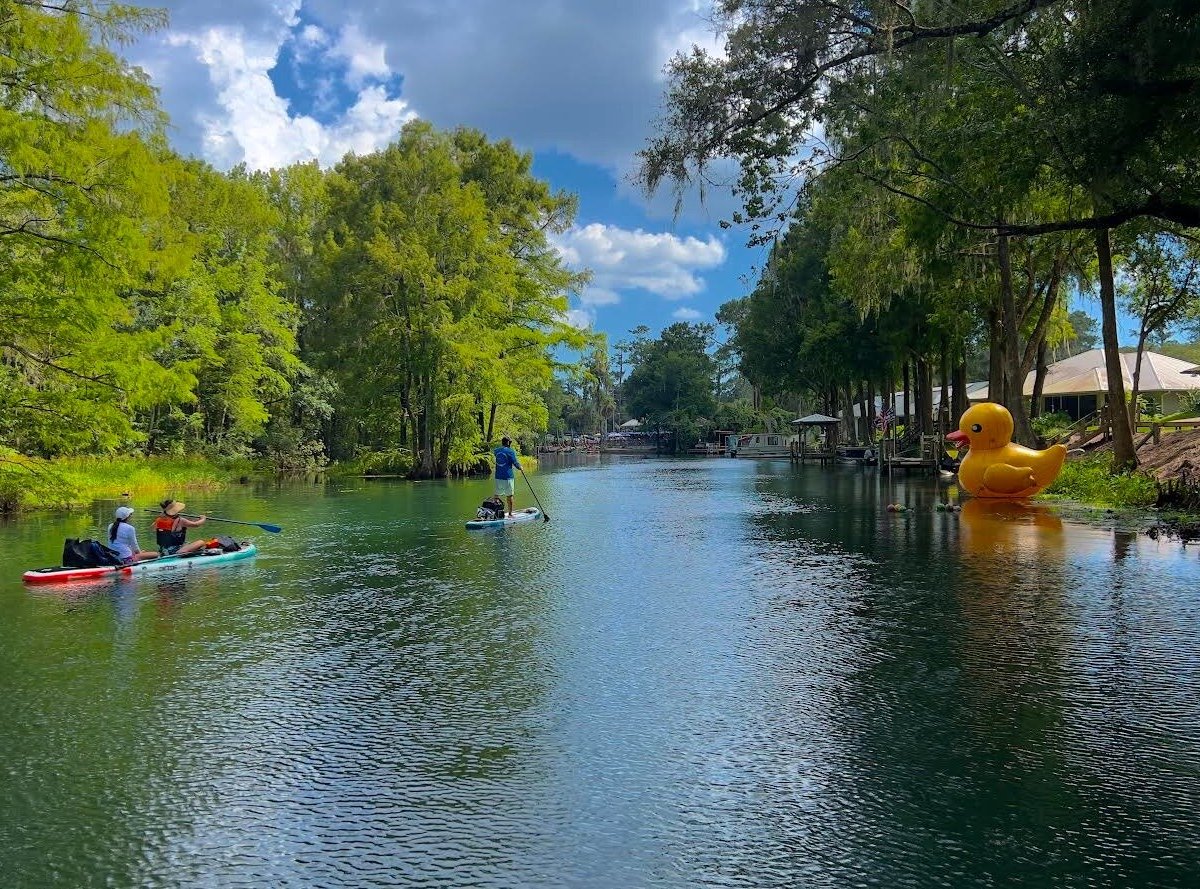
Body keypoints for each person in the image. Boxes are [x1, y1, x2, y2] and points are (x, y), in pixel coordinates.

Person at [493, 436, 522, 517]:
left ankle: (495, 512)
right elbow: (515, 463)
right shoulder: (510, 451)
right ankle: (510, 514)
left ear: (502, 442)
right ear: (509, 443)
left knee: (497, 495)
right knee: (509, 496)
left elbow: (496, 453)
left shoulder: (496, 451)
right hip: (508, 477)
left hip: (498, 476)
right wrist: (520, 467)